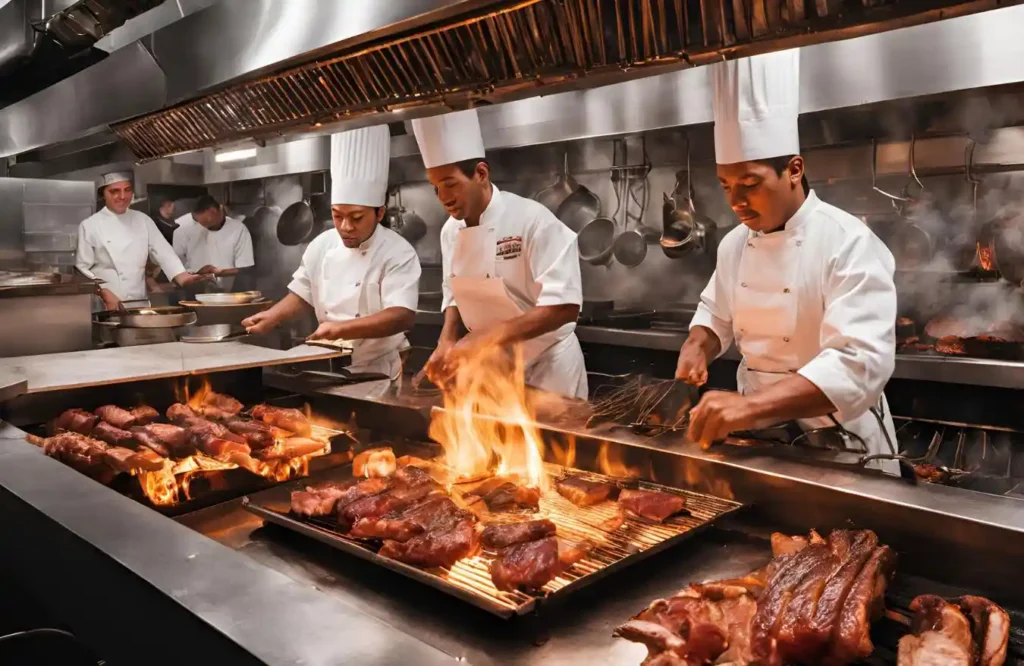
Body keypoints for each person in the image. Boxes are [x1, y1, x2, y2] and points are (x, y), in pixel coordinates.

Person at [675, 50, 900, 474]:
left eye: (750, 184)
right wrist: (697, 344)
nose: (736, 201)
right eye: (725, 185)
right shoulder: (734, 244)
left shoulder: (847, 241)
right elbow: (716, 314)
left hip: (846, 444)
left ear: (794, 169)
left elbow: (858, 365)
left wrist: (748, 408)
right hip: (764, 440)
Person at [411, 109, 587, 399]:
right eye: (436, 188)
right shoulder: (449, 232)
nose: (444, 198)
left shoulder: (532, 220)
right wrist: (447, 340)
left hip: (549, 370)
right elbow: (454, 292)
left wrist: (485, 337)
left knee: (552, 445)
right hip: (492, 372)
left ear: (481, 173)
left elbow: (564, 307)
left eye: (450, 184)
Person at [241, 126, 420, 379]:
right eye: (337, 216)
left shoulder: (398, 252)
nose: (345, 227)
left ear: (379, 213)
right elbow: (304, 291)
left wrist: (341, 329)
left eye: (356, 218)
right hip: (327, 361)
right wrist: (272, 316)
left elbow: (402, 316)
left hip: (378, 369)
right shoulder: (322, 244)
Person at [75, 172, 205, 311]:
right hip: (105, 305)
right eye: (114, 191)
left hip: (139, 304)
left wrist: (184, 277)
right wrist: (103, 292)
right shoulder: (89, 225)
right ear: (103, 194)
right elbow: (82, 270)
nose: (123, 196)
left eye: (127, 190)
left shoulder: (143, 220)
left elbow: (164, 253)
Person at [172, 194, 254, 291]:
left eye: (206, 221)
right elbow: (175, 266)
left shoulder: (238, 229)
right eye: (197, 220)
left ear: (213, 211)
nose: (201, 224)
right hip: (192, 290)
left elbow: (244, 268)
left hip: (228, 293)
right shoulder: (183, 229)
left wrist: (218, 272)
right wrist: (198, 274)